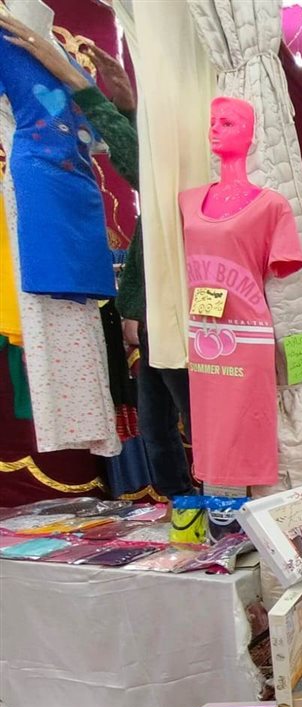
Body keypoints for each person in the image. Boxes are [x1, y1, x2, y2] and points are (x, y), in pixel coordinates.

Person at [1, 15, 193, 496]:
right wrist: (122, 105)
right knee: (157, 424)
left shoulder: (186, 171)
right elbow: (135, 158)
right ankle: (185, 507)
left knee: (187, 415)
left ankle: (218, 506)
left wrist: (79, 84)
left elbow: (136, 163)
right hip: (148, 307)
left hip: (178, 311)